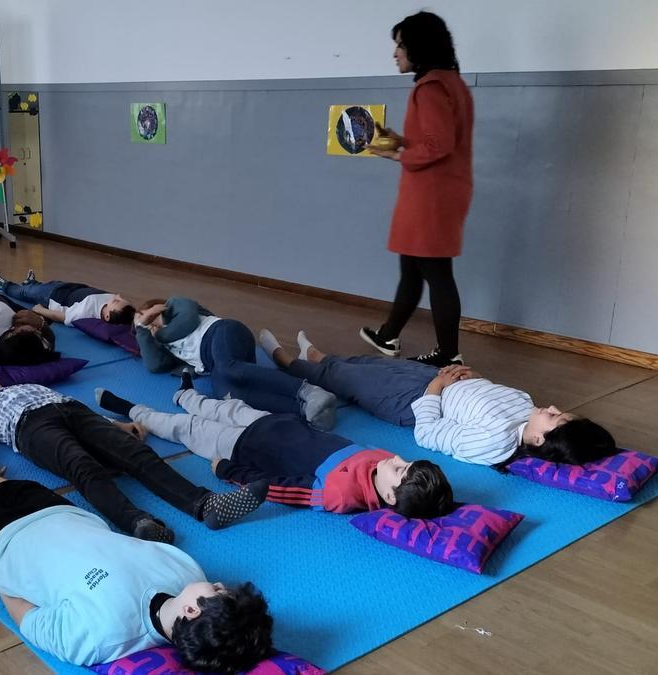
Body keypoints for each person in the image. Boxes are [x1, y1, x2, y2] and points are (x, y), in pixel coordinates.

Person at [0, 450, 274, 671]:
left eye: (218, 592)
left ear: (190, 609)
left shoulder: (101, 638)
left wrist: (0, 587)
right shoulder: (188, 573)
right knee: (10, 488)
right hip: (62, 515)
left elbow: (31, 621)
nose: (220, 583)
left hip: (5, 548)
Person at [0, 364, 270, 543]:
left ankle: (205, 503)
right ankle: (139, 524)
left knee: (135, 454)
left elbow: (83, 412)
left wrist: (116, 425)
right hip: (29, 427)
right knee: (82, 467)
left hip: (72, 410)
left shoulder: (29, 384)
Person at [96, 375, 454, 519]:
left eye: (401, 469)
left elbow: (284, 490)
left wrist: (230, 471)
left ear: (390, 497)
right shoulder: (383, 463)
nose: (397, 457)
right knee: (218, 406)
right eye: (406, 462)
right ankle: (184, 393)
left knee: (184, 427)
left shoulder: (339, 494)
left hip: (242, 448)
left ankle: (130, 410)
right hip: (273, 423)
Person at [259, 328, 618, 470]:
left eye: (554, 417)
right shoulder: (526, 408)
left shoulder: (495, 441)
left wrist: (436, 389)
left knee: (351, 380)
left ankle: (290, 364)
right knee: (370, 364)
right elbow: (488, 393)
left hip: (416, 399)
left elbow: (428, 434)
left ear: (539, 439)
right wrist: (470, 376)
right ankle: (319, 358)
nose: (552, 408)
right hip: (440, 382)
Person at [359, 11, 475, 368]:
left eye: (400, 45)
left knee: (437, 273)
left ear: (418, 48)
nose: (395, 53)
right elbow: (438, 141)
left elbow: (438, 146)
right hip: (439, 189)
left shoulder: (431, 88)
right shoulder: (451, 83)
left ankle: (447, 353)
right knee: (411, 266)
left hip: (432, 194)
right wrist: (402, 140)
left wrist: (397, 153)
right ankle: (388, 334)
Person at [134, 297, 337, 430]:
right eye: (145, 326)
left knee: (227, 366)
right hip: (215, 364)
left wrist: (158, 331)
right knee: (230, 398)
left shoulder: (175, 306)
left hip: (223, 333)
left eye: (150, 317)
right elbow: (153, 365)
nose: (150, 325)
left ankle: (308, 391)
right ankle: (308, 411)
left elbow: (188, 320)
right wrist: (143, 330)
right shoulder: (164, 346)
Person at [0, 268, 135, 326]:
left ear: (107, 316)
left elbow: (65, 317)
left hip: (54, 296)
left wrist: (41, 310)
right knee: (39, 286)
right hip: (69, 287)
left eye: (116, 301)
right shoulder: (111, 303)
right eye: (120, 298)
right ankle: (31, 282)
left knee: (26, 293)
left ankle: (5, 285)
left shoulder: (87, 313)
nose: (118, 296)